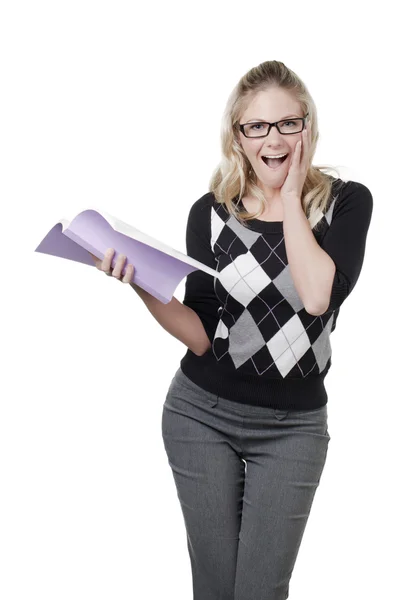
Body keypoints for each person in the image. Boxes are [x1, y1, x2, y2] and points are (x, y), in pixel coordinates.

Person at [90, 60, 373, 600]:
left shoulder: (345, 203)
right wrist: (139, 284)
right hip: (201, 415)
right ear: (237, 137)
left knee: (261, 592)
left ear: (308, 128)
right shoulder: (211, 212)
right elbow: (202, 334)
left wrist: (289, 197)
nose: (274, 138)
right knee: (216, 590)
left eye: (289, 124)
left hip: (293, 428)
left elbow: (317, 297)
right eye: (257, 127)